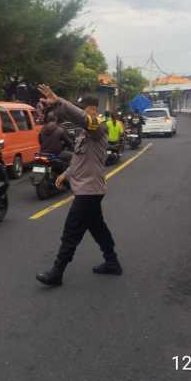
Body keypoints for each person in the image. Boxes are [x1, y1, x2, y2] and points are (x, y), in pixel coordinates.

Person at [35, 85, 122, 287]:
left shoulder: (99, 128)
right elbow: (78, 159)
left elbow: (82, 118)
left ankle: (57, 272)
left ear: (92, 109)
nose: (81, 112)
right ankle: (112, 262)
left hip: (89, 190)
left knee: (71, 230)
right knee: (98, 228)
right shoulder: (84, 132)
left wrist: (59, 100)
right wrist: (65, 174)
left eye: (84, 109)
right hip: (87, 188)